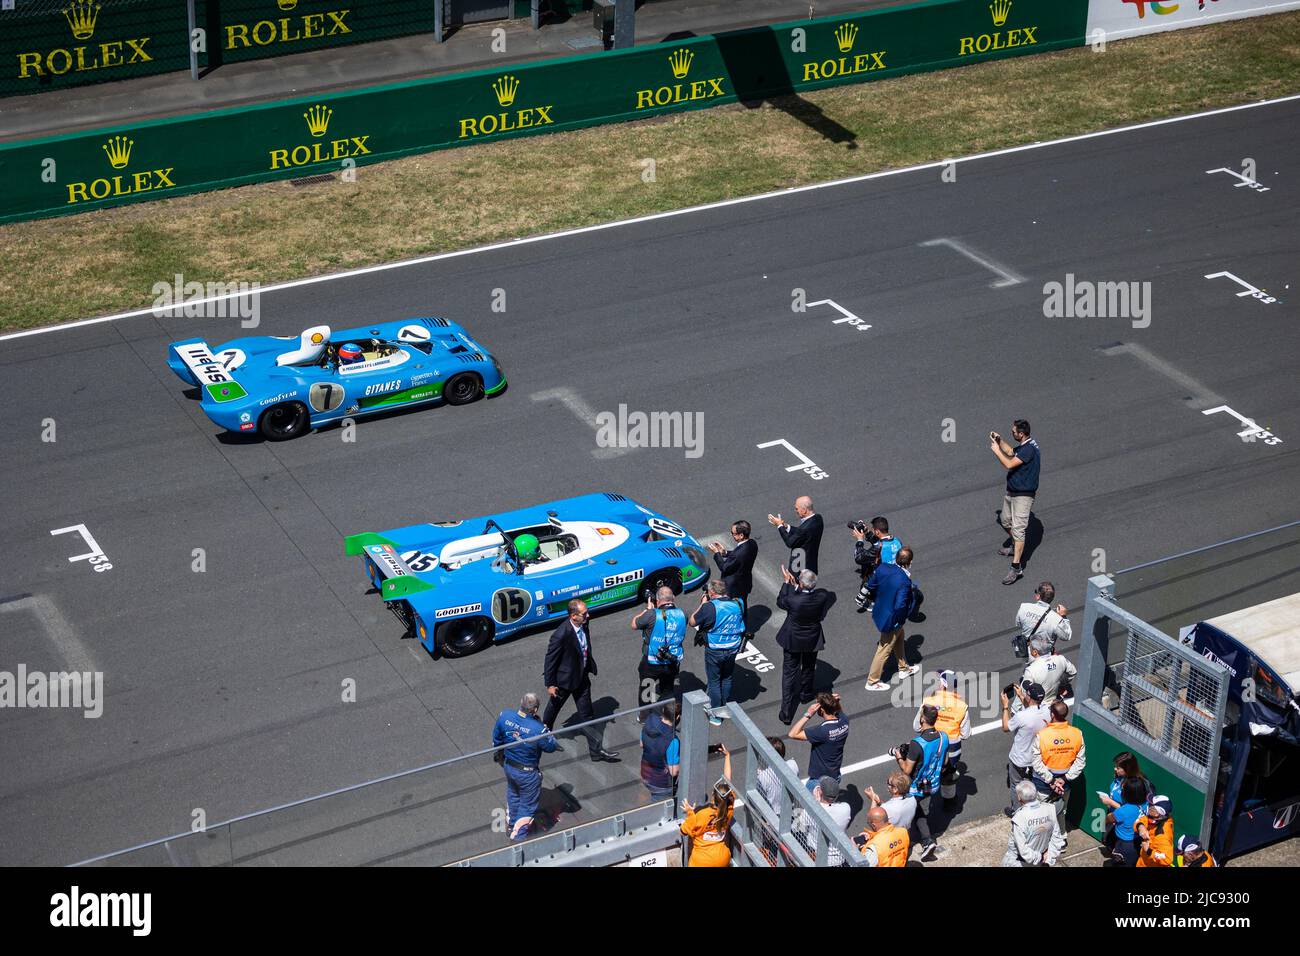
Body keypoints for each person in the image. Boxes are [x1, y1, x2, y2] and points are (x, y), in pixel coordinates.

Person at [541, 599, 620, 762]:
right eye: (584, 614)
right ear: (573, 616)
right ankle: (543, 738)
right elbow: (550, 660)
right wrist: (550, 684)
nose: (588, 616)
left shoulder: (584, 623)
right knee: (553, 710)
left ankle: (596, 753)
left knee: (587, 715)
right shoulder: (560, 634)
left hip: (581, 678)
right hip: (564, 681)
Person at [492, 692, 560, 841]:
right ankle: (517, 839)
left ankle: (511, 824)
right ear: (535, 710)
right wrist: (547, 732)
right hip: (528, 773)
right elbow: (551, 746)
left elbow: (497, 740)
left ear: (520, 703)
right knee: (528, 806)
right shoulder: (537, 729)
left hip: (509, 766)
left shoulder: (505, 716)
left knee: (514, 793)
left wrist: (501, 755)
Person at [773, 566, 836, 723]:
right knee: (808, 667)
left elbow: (781, 601)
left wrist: (787, 583)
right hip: (812, 638)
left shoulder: (793, 599)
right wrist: (796, 586)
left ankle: (786, 713)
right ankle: (805, 694)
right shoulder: (821, 597)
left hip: (793, 639)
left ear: (801, 584)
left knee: (789, 674)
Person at [895, 703, 949, 861]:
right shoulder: (943, 737)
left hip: (916, 787)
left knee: (904, 812)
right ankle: (927, 841)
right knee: (918, 811)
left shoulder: (917, 743)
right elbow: (945, 762)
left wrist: (898, 755)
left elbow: (906, 770)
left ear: (923, 719)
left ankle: (905, 842)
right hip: (934, 784)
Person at [689, 579, 747, 725]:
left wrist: (702, 603)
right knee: (726, 678)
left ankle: (716, 715)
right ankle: (723, 704)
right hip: (733, 647)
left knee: (714, 682)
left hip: (715, 649)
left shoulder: (709, 607)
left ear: (712, 592)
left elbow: (692, 622)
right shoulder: (739, 603)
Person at [990, 418, 1040, 585]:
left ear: (1021, 433)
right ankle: (1015, 545)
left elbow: (1009, 463)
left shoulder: (1029, 450)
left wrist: (996, 450)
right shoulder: (1025, 446)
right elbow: (1011, 452)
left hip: (1023, 495)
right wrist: (1000, 441)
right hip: (1012, 492)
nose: (1012, 433)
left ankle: (1016, 567)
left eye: (1013, 432)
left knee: (1018, 530)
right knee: (1005, 520)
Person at [863, 549, 920, 691]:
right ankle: (872, 681)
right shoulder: (904, 581)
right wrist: (900, 620)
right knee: (884, 649)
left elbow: (872, 584)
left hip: (880, 611)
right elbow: (900, 605)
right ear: (910, 562)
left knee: (900, 637)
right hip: (892, 619)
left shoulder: (883, 568)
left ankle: (903, 668)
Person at [917, 669, 970, 809]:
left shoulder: (928, 701)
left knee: (926, 776)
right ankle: (949, 802)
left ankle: (924, 810)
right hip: (952, 750)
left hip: (930, 746)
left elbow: (916, 726)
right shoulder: (962, 706)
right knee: (948, 776)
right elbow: (966, 734)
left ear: (942, 684)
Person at [630, 586, 686, 714]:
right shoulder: (683, 614)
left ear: (657, 600)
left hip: (652, 662)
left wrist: (647, 610)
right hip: (672, 660)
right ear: (673, 598)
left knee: (647, 689)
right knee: (667, 689)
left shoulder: (651, 614)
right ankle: (667, 715)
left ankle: (645, 716)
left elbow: (634, 624)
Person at [1030, 700, 1086, 823]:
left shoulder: (1042, 735)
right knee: (1061, 810)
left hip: (1043, 783)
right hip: (1064, 783)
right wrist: (1064, 779)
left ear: (1052, 715)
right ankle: (1061, 837)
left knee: (1041, 814)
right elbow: (1080, 762)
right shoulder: (1077, 733)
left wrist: (1052, 780)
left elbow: (1036, 762)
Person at [680, 745, 734, 867]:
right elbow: (728, 782)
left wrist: (690, 812)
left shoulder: (700, 815)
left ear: (712, 795)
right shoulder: (729, 809)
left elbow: (683, 831)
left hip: (701, 862)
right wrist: (727, 756)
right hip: (722, 859)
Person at [1002, 680, 1048, 817]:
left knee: (1016, 786)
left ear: (1029, 697)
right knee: (1032, 785)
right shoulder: (1047, 710)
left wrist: (1005, 706)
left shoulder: (1021, 716)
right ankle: (1033, 809)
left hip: (1019, 759)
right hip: (1036, 758)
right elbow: (1032, 709)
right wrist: (1021, 696)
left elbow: (1006, 727)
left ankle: (1018, 813)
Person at [789, 692, 849, 790]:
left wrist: (808, 714)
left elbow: (793, 734)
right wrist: (835, 702)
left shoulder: (822, 731)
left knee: (809, 803)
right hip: (835, 775)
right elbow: (839, 712)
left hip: (819, 781)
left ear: (821, 710)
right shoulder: (844, 722)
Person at [708, 521, 757, 637]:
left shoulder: (739, 553)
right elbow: (738, 555)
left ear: (741, 535)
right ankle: (744, 629)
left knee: (729, 609)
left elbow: (724, 567)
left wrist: (716, 554)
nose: (732, 535)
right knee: (742, 607)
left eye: (733, 533)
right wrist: (724, 553)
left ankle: (731, 631)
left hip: (732, 586)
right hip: (744, 583)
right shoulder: (752, 544)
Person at [1002, 779, 1066, 866]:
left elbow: (1024, 852)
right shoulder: (1050, 809)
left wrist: (1040, 857)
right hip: (1042, 861)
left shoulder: (1019, 819)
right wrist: (1048, 860)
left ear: (1019, 798)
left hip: (1019, 863)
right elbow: (1057, 839)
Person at [1101, 752, 1154, 856]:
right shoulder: (1119, 776)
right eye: (1115, 766)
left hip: (1124, 825)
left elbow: (1131, 809)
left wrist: (1110, 802)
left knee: (1121, 853)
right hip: (1115, 817)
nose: (1115, 769)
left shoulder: (1134, 785)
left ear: (1128, 768)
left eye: (1118, 767)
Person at [793, 776, 853, 865]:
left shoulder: (812, 811)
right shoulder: (846, 808)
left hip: (817, 857)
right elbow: (831, 807)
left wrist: (815, 803)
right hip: (839, 859)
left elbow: (795, 827)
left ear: (820, 792)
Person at [853, 516, 901, 613]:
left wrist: (859, 540)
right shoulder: (896, 541)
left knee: (867, 576)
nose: (873, 531)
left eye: (873, 530)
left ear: (877, 531)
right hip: (895, 574)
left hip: (883, 578)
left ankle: (871, 600)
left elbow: (859, 558)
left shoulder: (879, 548)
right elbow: (878, 542)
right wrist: (866, 532)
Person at [1098, 776, 1148, 866]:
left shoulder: (1124, 810)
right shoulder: (1147, 804)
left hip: (1124, 844)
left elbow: (1109, 818)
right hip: (1138, 841)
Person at [1014, 581, 1071, 658]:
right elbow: (1066, 636)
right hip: (1044, 657)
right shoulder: (1056, 619)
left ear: (1038, 596)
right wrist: (1063, 616)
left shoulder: (1024, 607)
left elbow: (1018, 624)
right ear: (1052, 598)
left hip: (1027, 652)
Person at [768, 495, 823, 574]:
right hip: (811, 566)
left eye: (797, 509)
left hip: (800, 570)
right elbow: (801, 533)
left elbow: (790, 542)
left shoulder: (804, 529)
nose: (795, 510)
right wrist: (786, 526)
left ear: (804, 510)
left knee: (794, 586)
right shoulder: (818, 518)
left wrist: (779, 526)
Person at [639, 701, 680, 802]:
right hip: (661, 783)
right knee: (660, 810)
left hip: (645, 772)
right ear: (677, 717)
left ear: (663, 711)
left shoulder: (650, 720)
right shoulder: (672, 740)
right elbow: (673, 771)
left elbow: (641, 744)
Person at [1021, 636, 1077, 706]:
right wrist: (1060, 684)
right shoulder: (1061, 659)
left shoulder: (1030, 670)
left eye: (1030, 647)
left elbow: (1024, 695)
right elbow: (1073, 672)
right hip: (1055, 703)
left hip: (1039, 707)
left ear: (1035, 652)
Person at [756, 736, 801, 821]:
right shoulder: (793, 765)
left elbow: (760, 795)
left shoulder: (762, 777)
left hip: (772, 816)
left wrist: (761, 775)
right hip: (790, 811)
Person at [1135, 795, 1174, 867]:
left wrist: (1148, 851)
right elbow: (1140, 820)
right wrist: (1140, 826)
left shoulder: (1162, 835)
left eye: (1150, 805)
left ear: (1157, 813)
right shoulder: (1156, 818)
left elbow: (1167, 859)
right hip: (1142, 861)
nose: (1148, 806)